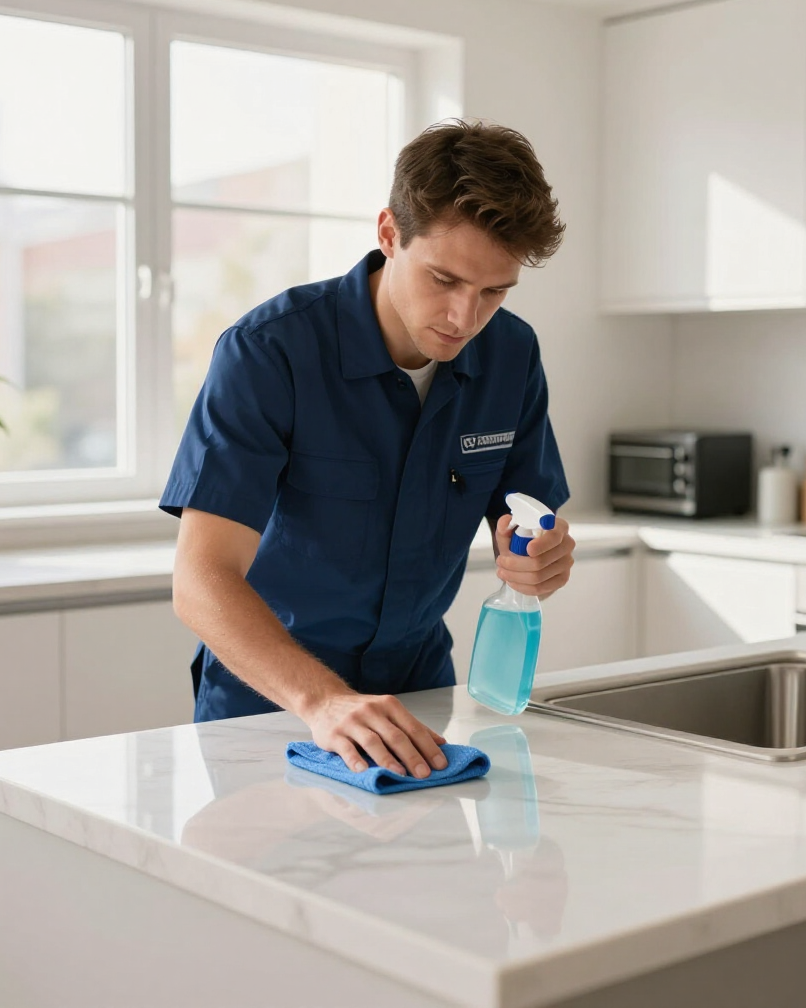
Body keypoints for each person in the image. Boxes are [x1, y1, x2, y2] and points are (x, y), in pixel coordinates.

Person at [160, 119, 575, 782]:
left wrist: (541, 557)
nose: (464, 318)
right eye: (444, 279)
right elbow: (200, 582)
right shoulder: (270, 353)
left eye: (493, 291)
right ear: (388, 234)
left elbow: (527, 521)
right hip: (275, 707)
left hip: (420, 702)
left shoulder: (512, 356)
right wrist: (323, 702)